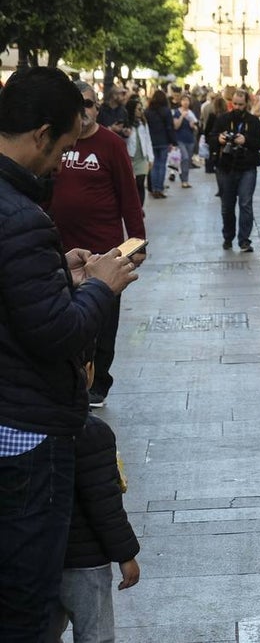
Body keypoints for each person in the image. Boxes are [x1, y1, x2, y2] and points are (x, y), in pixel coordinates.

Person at [0, 67, 138, 643]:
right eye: (61, 150)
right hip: (27, 440)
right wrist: (99, 286)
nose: (62, 164)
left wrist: (63, 272)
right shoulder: (24, 219)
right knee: (28, 608)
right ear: (41, 134)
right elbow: (57, 335)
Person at [49, 81, 148, 409]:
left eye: (88, 104)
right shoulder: (58, 142)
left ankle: (98, 381)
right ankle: (74, 376)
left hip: (104, 252)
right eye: (77, 105)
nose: (83, 111)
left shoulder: (111, 144)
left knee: (104, 320)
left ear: (97, 107)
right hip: (61, 250)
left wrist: (136, 242)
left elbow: (129, 197)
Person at [45, 414, 141, 643]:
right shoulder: (90, 430)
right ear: (87, 376)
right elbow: (104, 503)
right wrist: (126, 555)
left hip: (34, 556)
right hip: (86, 563)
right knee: (95, 635)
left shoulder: (20, 425)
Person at [208, 88, 260, 252]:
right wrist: (219, 139)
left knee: (246, 203)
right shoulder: (223, 119)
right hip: (226, 167)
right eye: (235, 104)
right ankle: (228, 236)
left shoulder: (253, 121)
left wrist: (245, 140)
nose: (238, 107)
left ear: (247, 103)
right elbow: (210, 137)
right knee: (227, 206)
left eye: (241, 104)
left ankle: (244, 240)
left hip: (247, 167)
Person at [123, 95, 153, 207]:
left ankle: (140, 209)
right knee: (132, 186)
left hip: (142, 158)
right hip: (130, 158)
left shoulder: (143, 123)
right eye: (139, 109)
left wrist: (151, 158)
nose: (141, 111)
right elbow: (122, 141)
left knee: (140, 183)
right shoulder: (126, 124)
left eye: (142, 109)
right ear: (132, 110)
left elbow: (148, 140)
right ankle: (134, 207)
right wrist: (125, 134)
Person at [144, 90, 174, 198]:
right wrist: (172, 141)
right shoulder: (166, 111)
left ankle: (154, 189)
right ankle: (159, 188)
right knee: (162, 165)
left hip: (152, 141)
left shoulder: (147, 111)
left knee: (154, 165)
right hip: (163, 141)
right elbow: (169, 127)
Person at [172, 95, 198, 188]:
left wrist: (193, 126)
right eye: (183, 100)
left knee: (187, 160)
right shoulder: (177, 112)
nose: (185, 102)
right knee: (185, 158)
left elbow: (196, 127)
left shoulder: (191, 113)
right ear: (181, 102)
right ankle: (183, 180)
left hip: (190, 139)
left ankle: (185, 179)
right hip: (180, 139)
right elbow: (176, 126)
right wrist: (182, 117)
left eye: (187, 100)